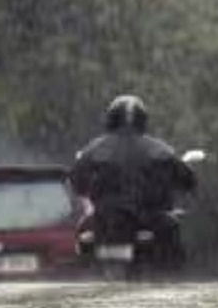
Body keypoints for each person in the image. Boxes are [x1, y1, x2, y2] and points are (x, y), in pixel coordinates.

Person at [70, 95, 196, 266]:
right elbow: (187, 178)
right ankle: (170, 276)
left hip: (106, 219)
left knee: (82, 231)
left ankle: (84, 268)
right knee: (173, 231)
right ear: (142, 120)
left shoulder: (95, 149)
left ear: (111, 119)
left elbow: (77, 181)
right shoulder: (157, 149)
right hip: (146, 217)